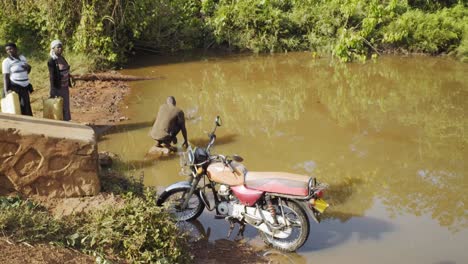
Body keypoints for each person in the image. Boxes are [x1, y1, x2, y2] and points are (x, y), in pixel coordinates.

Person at [2, 43, 33, 115]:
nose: (9, 51)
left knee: (26, 106)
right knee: (18, 107)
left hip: (25, 86)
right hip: (15, 87)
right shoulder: (6, 62)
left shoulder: (22, 58)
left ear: (16, 49)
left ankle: (28, 124)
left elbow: (27, 72)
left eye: (11, 49)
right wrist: (6, 91)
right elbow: (5, 77)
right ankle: (19, 124)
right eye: (7, 50)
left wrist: (29, 67)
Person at [48, 39, 73, 121]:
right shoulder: (52, 61)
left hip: (65, 86)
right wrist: (52, 90)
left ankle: (67, 121)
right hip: (58, 87)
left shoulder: (62, 58)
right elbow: (51, 77)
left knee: (66, 105)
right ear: (53, 48)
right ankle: (60, 123)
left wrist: (70, 77)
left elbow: (66, 70)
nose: (60, 49)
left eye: (61, 47)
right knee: (58, 106)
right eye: (58, 47)